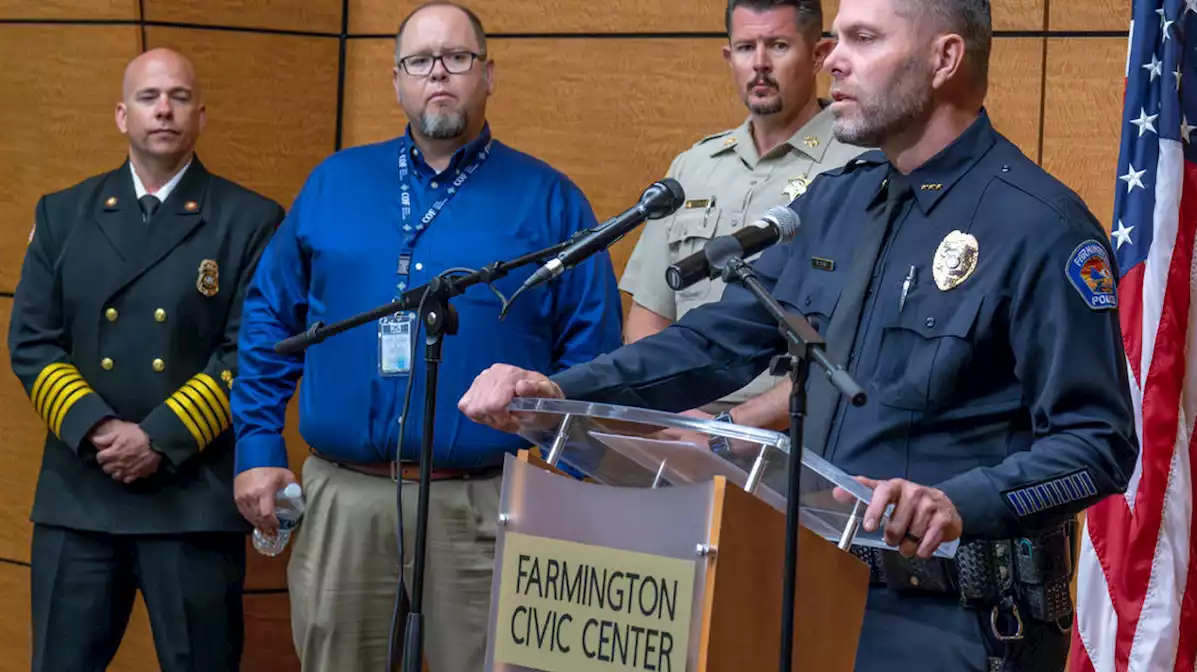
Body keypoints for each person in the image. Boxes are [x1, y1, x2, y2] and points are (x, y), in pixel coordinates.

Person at [458, 0, 1139, 669]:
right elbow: (718, 342)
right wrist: (559, 391)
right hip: (809, 591)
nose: (833, 59)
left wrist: (957, 504)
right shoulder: (839, 199)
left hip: (954, 620)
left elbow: (1098, 445)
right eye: (836, 39)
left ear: (944, 59)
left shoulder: (1040, 228)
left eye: (864, 40)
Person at [228, 2, 623, 670]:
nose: (438, 73)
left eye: (458, 57)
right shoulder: (333, 183)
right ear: (397, 81)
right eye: (419, 61)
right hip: (346, 500)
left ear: (489, 73)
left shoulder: (550, 199)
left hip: (485, 505)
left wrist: (564, 491)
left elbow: (593, 352)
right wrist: (259, 445)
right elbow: (270, 318)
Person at [8, 48, 284, 671]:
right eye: (148, 97)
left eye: (179, 97)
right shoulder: (63, 214)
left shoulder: (250, 221)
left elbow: (250, 351)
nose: (164, 109)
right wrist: (101, 430)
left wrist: (158, 437)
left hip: (190, 498)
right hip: (81, 494)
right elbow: (31, 341)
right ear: (120, 115)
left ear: (201, 116)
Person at [620, 0, 870, 431]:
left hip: (800, 431)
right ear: (727, 56)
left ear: (818, 56)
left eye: (777, 46)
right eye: (744, 48)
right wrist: (681, 418)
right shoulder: (694, 167)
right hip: (681, 429)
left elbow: (861, 346)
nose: (759, 64)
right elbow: (649, 315)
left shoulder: (862, 164)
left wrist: (733, 430)